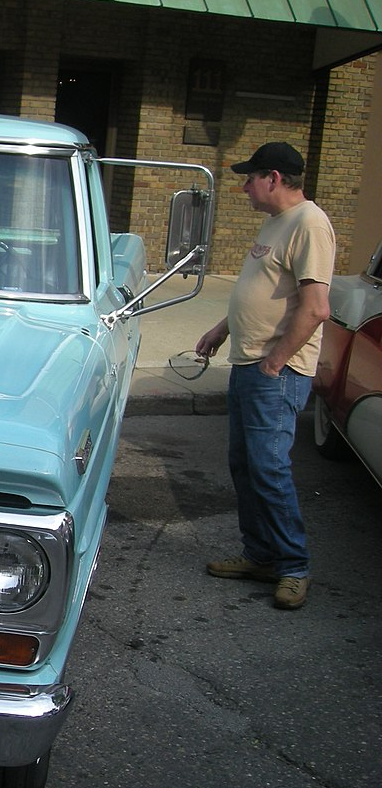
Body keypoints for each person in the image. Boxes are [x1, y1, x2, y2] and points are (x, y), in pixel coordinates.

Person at [194, 142, 334, 611]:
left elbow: (315, 308)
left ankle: (293, 566)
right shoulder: (275, 223)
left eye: (250, 177)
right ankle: (260, 556)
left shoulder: (310, 223)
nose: (244, 186)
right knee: (246, 465)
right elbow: (266, 292)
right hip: (250, 364)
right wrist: (221, 328)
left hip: (275, 372)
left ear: (273, 178)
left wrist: (275, 362)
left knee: (269, 470)